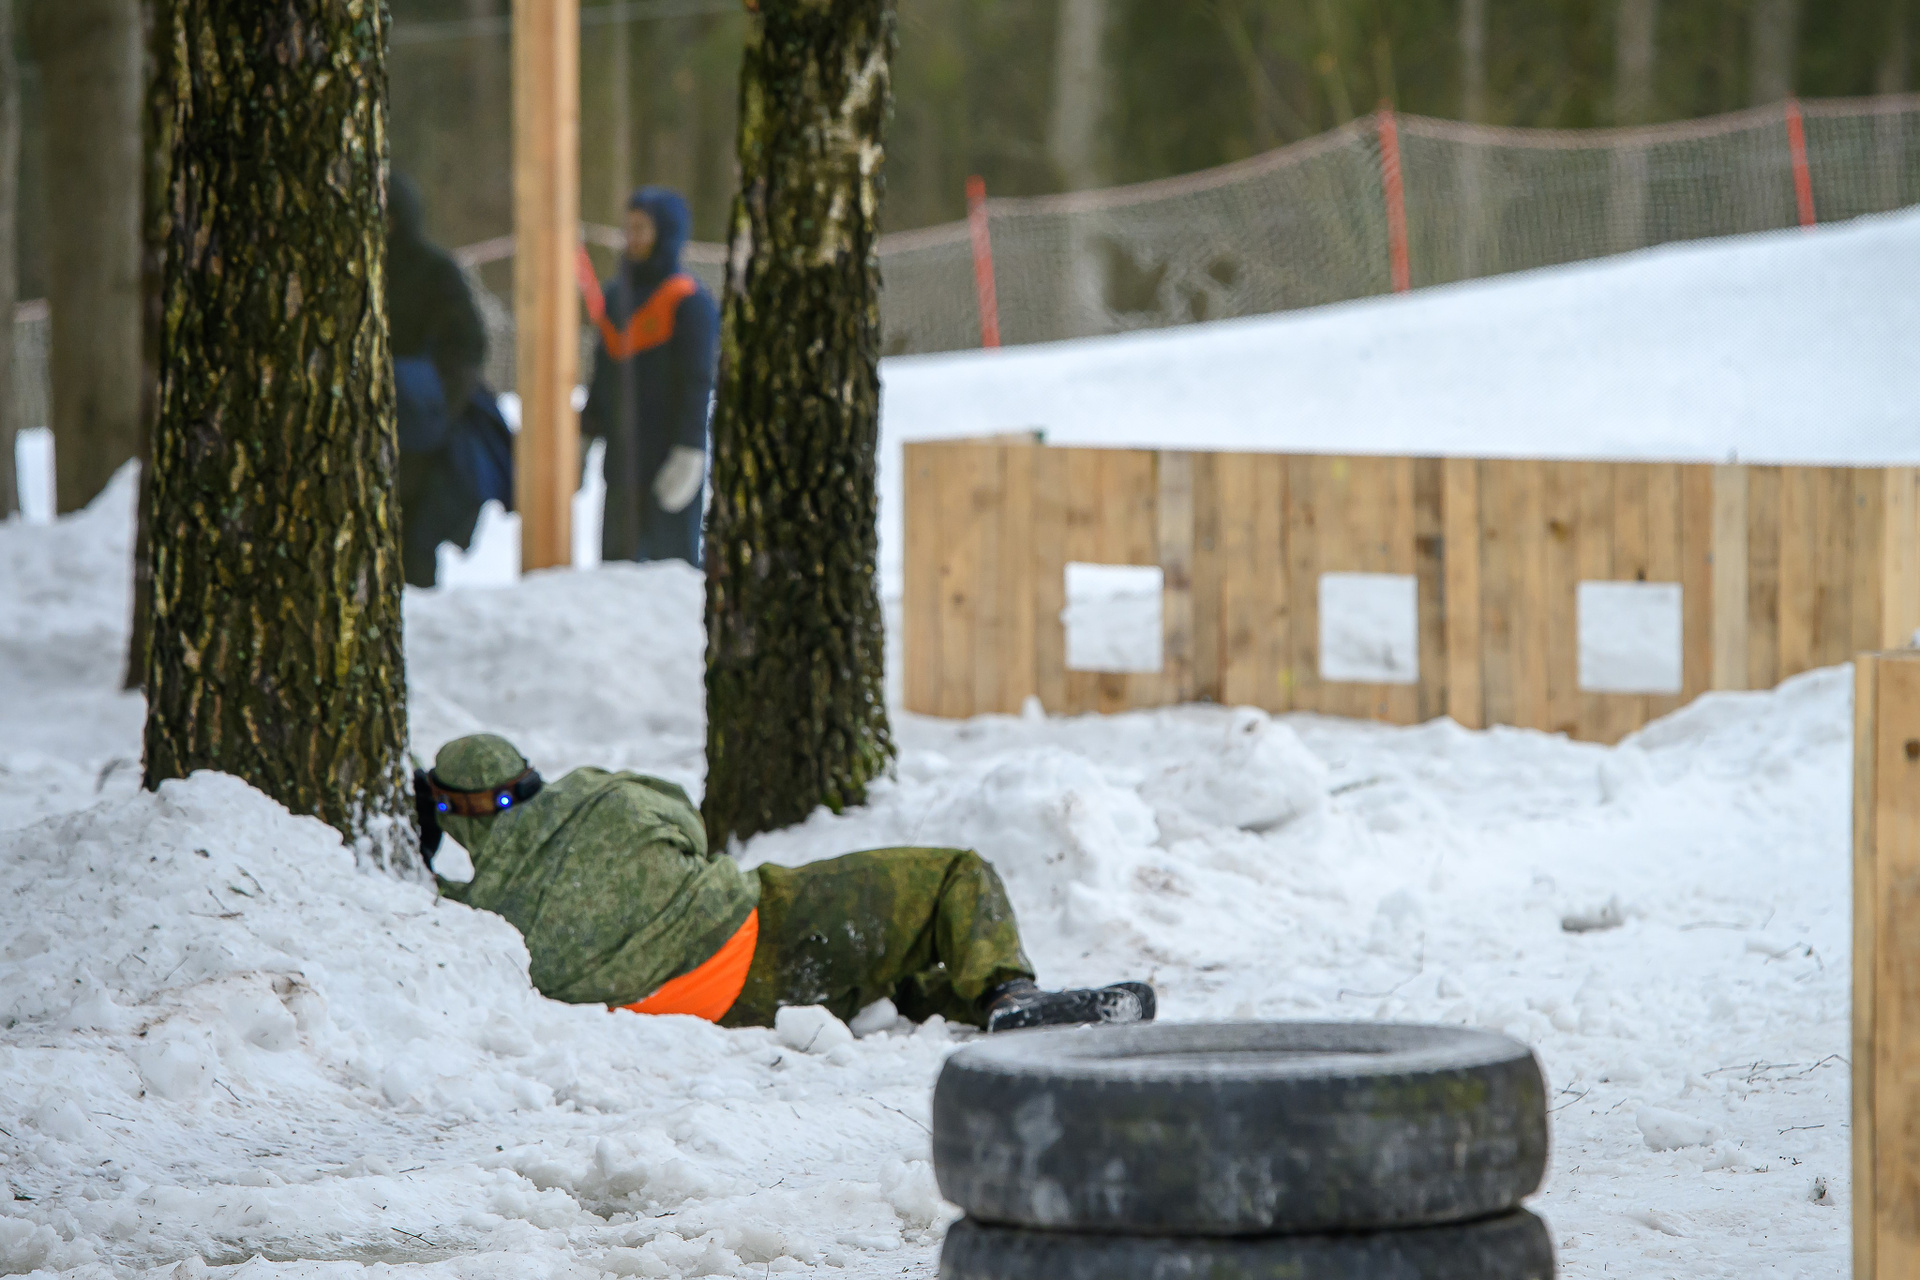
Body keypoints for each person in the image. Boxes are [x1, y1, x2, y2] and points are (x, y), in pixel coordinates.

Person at [415, 733, 1156, 1033]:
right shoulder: (593, 794)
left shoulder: (482, 912)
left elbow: (428, 905)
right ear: (526, 776)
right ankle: (1009, 996)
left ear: (450, 816)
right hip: (765, 932)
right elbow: (687, 820)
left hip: (720, 1012)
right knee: (949, 880)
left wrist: (424, 840)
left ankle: (982, 1009)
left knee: (891, 979)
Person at [386, 172, 514, 588]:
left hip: (426, 426)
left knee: (416, 547)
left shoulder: (434, 271)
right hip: (385, 423)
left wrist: (437, 401)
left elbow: (467, 346)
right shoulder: (356, 266)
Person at [580, 187, 717, 567]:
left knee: (668, 569)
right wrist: (585, 433)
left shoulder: (689, 301)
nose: (633, 237)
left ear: (666, 232)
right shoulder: (615, 299)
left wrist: (690, 448)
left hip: (668, 465)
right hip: (621, 467)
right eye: (629, 228)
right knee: (617, 568)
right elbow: (602, 379)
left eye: (642, 228)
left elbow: (697, 382)